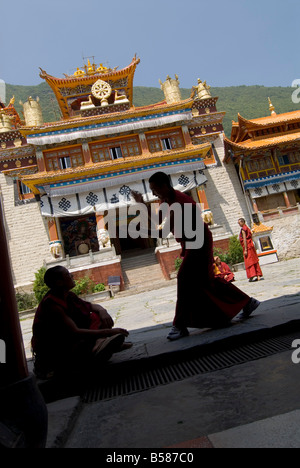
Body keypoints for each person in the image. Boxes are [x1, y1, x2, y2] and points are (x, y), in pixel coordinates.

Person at [132, 172, 260, 341]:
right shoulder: (167, 201)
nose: (154, 193)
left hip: (198, 242)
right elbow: (160, 225)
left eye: (155, 189)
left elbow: (162, 230)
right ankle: (247, 302)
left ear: (164, 186)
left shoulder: (179, 201)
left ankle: (180, 324)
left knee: (184, 278)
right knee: (207, 281)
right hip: (192, 242)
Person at [31, 266, 131, 379]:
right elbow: (75, 332)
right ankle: (99, 346)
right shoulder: (51, 304)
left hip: (74, 340)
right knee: (82, 336)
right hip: (56, 350)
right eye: (68, 275)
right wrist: (109, 332)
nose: (72, 276)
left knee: (95, 316)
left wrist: (103, 311)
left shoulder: (68, 296)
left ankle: (100, 345)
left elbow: (91, 307)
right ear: (59, 282)